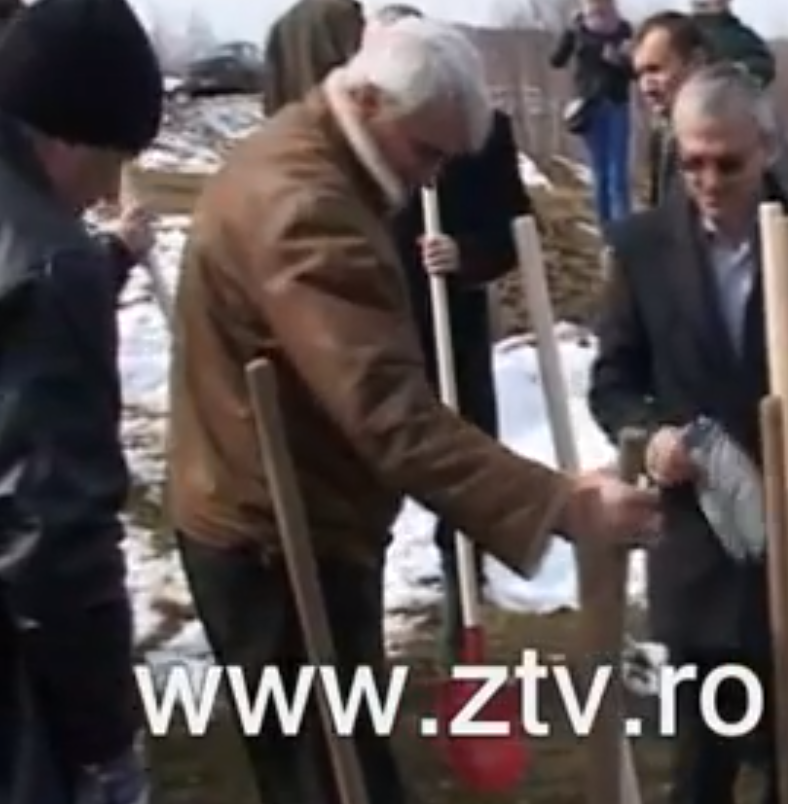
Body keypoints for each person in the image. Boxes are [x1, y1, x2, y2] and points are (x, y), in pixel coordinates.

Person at [167, 17, 660, 804]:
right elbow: (387, 409)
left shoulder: (310, 150)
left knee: (340, 760)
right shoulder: (307, 207)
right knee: (331, 777)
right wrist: (559, 505)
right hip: (274, 540)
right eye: (425, 151)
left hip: (288, 511)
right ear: (367, 99)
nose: (430, 178)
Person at [586, 65, 788, 804]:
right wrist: (649, 438)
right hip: (697, 539)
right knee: (703, 764)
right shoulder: (641, 247)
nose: (709, 181)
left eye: (728, 163)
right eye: (692, 162)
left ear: (767, 149)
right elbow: (613, 382)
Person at [0, 0, 163, 802]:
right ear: (66, 136)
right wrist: (102, 739)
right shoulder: (52, 263)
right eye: (113, 159)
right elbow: (55, 536)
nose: (106, 192)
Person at [371, 2, 529, 667]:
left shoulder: (483, 134)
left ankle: (464, 601)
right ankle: (358, 622)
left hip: (449, 322)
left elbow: (514, 230)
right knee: (369, 470)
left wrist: (466, 255)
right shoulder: (355, 138)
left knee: (461, 468)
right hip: (375, 325)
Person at [632, 11, 788, 207]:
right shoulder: (662, 134)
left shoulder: (745, 123)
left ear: (696, 61)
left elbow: (785, 205)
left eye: (655, 70)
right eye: (639, 75)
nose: (646, 87)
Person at [549, 0, 634, 228]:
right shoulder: (578, 28)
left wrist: (620, 61)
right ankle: (606, 231)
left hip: (616, 103)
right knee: (600, 173)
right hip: (589, 107)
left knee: (618, 173)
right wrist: (568, 33)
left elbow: (636, 71)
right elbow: (556, 60)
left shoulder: (623, 29)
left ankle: (625, 231)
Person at [262, 0, 365, 116]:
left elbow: (272, 91)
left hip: (293, 119)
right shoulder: (342, 11)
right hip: (335, 115)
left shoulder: (282, 23)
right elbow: (362, 71)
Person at [688, 0, 775, 88]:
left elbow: (764, 64)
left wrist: (739, 68)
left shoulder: (744, 34)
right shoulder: (686, 32)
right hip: (694, 88)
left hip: (733, 89)